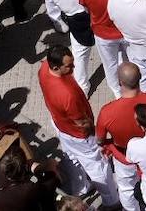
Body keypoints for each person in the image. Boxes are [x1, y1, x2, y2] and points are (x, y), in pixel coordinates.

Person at [37, 43, 118, 208]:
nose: (74, 68)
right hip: (79, 136)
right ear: (55, 66)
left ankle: (81, 188)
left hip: (61, 126)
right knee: (98, 167)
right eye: (69, 66)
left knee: (71, 158)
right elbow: (82, 123)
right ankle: (112, 200)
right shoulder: (68, 95)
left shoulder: (44, 68)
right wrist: (95, 136)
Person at [95, 62, 146, 211]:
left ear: (119, 82)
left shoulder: (107, 111)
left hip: (125, 158)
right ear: (140, 78)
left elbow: (99, 140)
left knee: (126, 189)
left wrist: (111, 144)